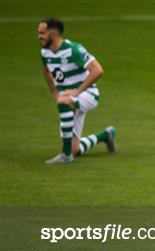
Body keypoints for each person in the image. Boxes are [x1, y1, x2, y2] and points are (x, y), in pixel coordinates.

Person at [38, 17, 116, 164]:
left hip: (88, 95)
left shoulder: (74, 50)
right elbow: (46, 71)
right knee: (75, 149)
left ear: (53, 34)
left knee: (64, 101)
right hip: (71, 98)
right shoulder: (45, 52)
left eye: (42, 33)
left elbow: (97, 70)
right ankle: (106, 135)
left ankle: (65, 156)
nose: (39, 36)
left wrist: (78, 91)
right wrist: (55, 93)